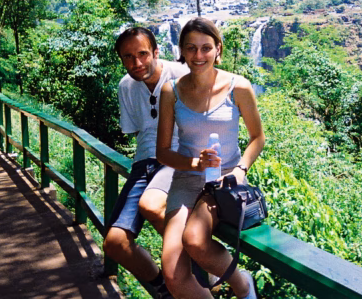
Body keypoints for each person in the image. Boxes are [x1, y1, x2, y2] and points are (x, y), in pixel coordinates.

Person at [156, 17, 264, 299]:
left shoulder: (238, 87)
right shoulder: (171, 91)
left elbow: (258, 138)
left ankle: (242, 285)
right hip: (186, 180)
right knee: (173, 275)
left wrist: (240, 170)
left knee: (194, 239)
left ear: (218, 49)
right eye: (191, 48)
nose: (198, 56)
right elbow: (163, 151)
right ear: (181, 50)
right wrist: (195, 164)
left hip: (225, 181)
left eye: (206, 48)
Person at [103, 28, 188, 299]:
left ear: (156, 52)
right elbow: (138, 130)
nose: (136, 63)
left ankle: (199, 275)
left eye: (142, 54)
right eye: (128, 57)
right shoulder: (125, 86)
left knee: (151, 207)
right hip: (145, 163)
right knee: (114, 243)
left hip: (180, 156)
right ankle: (165, 289)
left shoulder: (181, 76)